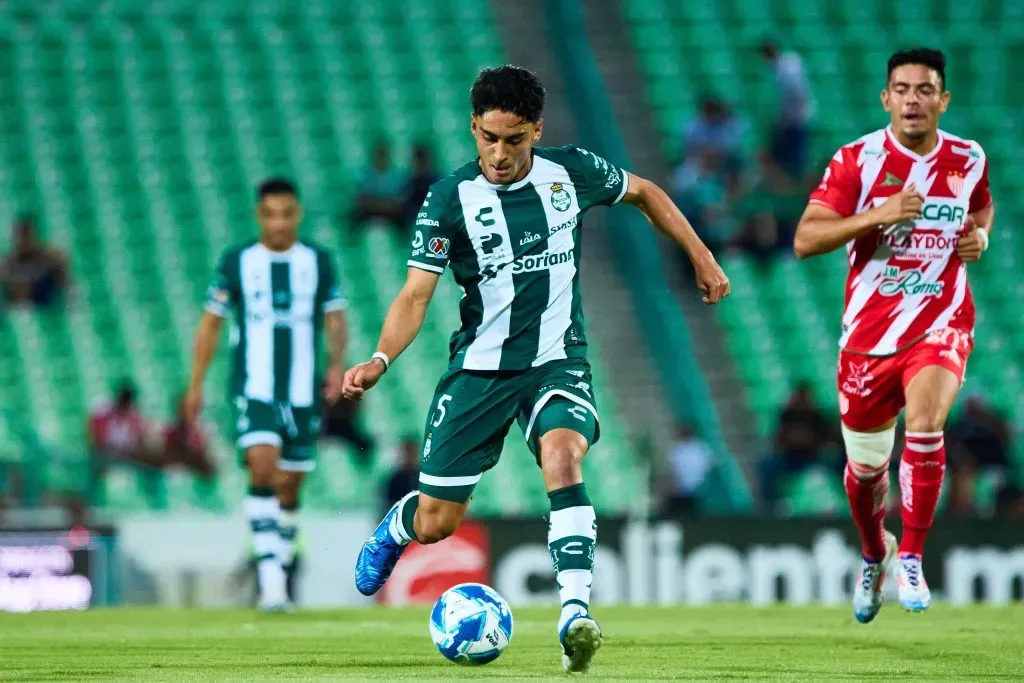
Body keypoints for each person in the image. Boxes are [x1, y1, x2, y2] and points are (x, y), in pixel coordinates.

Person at [343, 65, 729, 673]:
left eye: (515, 139)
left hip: (556, 360)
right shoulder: (450, 200)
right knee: (437, 523)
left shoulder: (569, 172)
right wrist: (380, 359)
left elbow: (647, 192)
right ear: (474, 128)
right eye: (488, 138)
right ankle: (400, 525)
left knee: (563, 454)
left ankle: (575, 612)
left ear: (536, 131)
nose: (499, 153)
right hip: (482, 370)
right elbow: (416, 295)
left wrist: (702, 257)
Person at [794, 48, 993, 622]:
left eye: (925, 89)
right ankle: (872, 550)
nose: (913, 99)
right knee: (864, 471)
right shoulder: (858, 160)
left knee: (928, 424)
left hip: (942, 319)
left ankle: (911, 554)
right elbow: (806, 240)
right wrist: (876, 215)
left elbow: (981, 210)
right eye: (902, 89)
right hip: (869, 337)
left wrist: (981, 237)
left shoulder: (968, 157)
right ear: (886, 99)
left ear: (942, 99)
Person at [184, 178, 350, 612]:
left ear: (297, 215)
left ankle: (286, 559)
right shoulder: (237, 261)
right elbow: (211, 324)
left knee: (290, 488)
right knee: (261, 466)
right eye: (270, 214)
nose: (278, 223)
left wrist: (335, 366)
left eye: (286, 214)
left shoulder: (318, 261)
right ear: (259, 216)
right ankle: (272, 587)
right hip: (253, 388)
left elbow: (335, 318)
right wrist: (196, 383)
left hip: (302, 392)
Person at [760, 39, 814, 180]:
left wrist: (783, 118)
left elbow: (794, 94)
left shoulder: (784, 67)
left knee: (791, 162)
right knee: (788, 160)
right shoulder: (790, 61)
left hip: (795, 120)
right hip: (794, 118)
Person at [1, 215, 70, 309]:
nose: (24, 240)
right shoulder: (9, 263)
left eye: (27, 235)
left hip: (47, 307)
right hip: (18, 310)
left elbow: (66, 284)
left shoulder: (51, 259)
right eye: (21, 235)